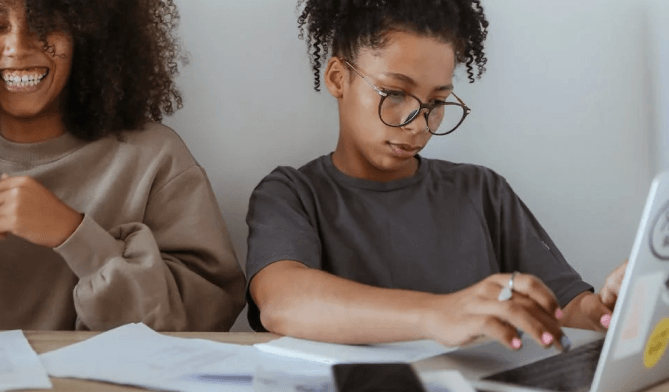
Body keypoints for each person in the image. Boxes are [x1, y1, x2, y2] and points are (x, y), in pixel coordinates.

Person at [246, 0, 628, 350]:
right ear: (337, 79)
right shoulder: (292, 194)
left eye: (436, 103)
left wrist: (610, 310)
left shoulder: (482, 192)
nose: (417, 125)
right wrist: (438, 313)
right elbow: (283, 302)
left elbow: (567, 311)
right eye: (395, 93)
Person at [0, 0, 246, 331]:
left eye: (45, 25)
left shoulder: (153, 157)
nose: (18, 46)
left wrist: (73, 234)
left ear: (88, 33)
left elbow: (208, 316)